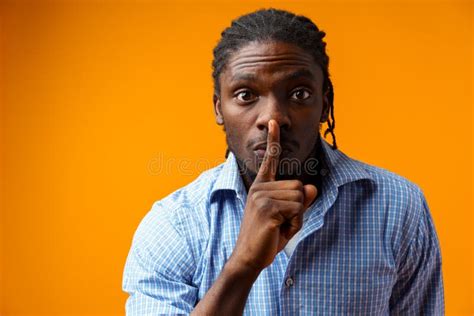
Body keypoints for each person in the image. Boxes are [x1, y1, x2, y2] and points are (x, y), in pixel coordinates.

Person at [122, 8, 444, 315]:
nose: (273, 117)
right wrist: (244, 263)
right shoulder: (172, 227)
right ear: (218, 108)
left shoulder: (399, 207)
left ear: (325, 103)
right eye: (246, 95)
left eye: (299, 94)